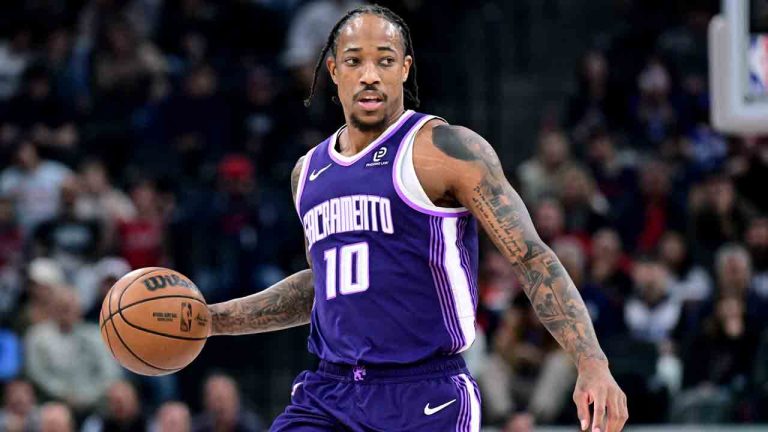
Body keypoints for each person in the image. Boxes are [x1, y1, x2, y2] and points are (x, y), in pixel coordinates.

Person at [206, 5, 627, 432]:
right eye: (354, 61)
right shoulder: (308, 173)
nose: (370, 74)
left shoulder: (444, 150)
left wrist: (591, 361)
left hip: (424, 392)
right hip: (328, 393)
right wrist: (214, 319)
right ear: (333, 70)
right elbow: (324, 286)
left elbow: (531, 257)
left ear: (405, 69)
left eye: (385, 60)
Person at [192, 374, 262, 432]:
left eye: (226, 399)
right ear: (206, 401)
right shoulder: (198, 427)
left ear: (236, 400)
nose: (221, 407)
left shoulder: (250, 426)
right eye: (217, 400)